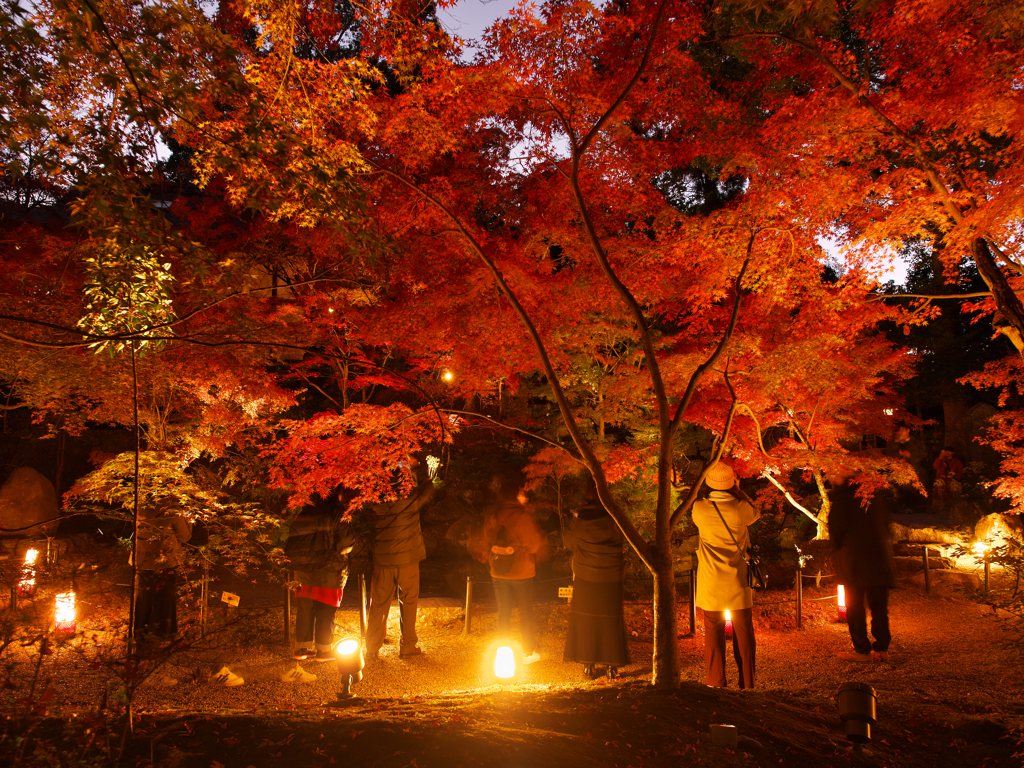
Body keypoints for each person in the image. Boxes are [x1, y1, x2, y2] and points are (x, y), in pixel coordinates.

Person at [690, 461, 760, 689]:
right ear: (731, 483)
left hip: (711, 579)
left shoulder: (699, 508)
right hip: (738, 579)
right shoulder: (740, 507)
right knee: (744, 632)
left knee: (712, 632)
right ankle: (748, 682)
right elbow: (756, 513)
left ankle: (715, 681)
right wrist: (738, 491)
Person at [365, 463, 437, 660]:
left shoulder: (376, 504)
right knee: (409, 601)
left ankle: (372, 647)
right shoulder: (411, 502)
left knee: (378, 604)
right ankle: (407, 645)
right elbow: (429, 489)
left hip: (383, 559)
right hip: (408, 559)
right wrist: (417, 468)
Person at [561, 480, 630, 680]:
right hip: (611, 577)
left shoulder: (580, 520)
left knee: (586, 621)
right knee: (610, 622)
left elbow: (569, 543)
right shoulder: (614, 517)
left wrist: (572, 521)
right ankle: (611, 667)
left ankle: (588, 666)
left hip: (586, 577)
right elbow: (625, 538)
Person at [475, 483, 549, 665]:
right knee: (525, 612)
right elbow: (534, 545)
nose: (524, 497)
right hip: (522, 572)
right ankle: (527, 651)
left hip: (498, 573)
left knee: (503, 612)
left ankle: (503, 651)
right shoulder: (522, 517)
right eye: (521, 494)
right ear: (515, 497)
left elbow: (483, 543)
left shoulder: (494, 516)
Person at [829, 467, 896, 662]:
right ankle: (882, 648)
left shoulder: (842, 499)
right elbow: (886, 525)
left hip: (854, 562)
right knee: (879, 607)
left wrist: (837, 550)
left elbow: (836, 530)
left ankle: (862, 649)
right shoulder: (872, 495)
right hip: (879, 559)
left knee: (855, 607)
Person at [283, 501, 356, 681]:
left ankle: (301, 648)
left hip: (304, 570)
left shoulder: (304, 513)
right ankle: (323, 650)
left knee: (305, 608)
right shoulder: (338, 514)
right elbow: (346, 543)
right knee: (326, 609)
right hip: (329, 571)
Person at [133, 501, 192, 644]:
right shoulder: (173, 511)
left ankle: (139, 633)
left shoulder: (140, 507)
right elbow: (185, 537)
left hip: (142, 560)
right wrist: (189, 520)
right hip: (165, 561)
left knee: (143, 599)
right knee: (166, 599)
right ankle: (167, 633)